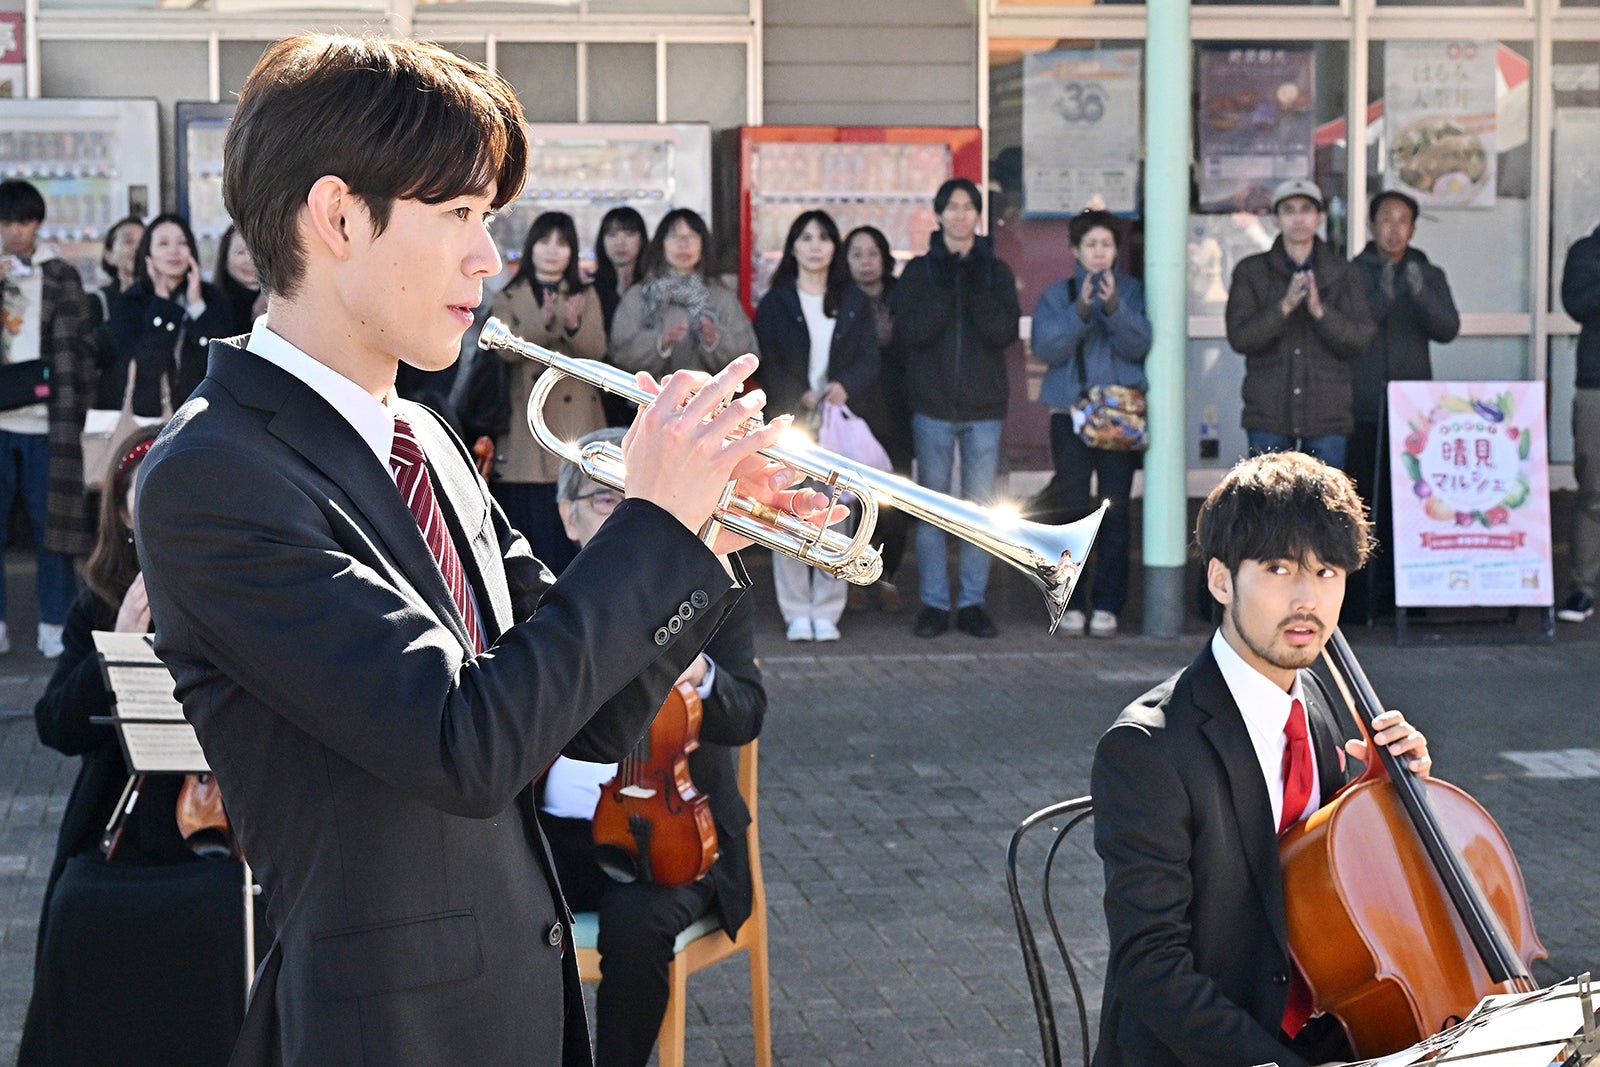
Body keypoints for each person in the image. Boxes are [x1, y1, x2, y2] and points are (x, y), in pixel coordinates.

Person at [133, 33, 827, 1066]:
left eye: (487, 219)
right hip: (388, 1030)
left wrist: (700, 532)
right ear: (335, 217)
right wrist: (649, 523)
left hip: (516, 1002)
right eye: (456, 214)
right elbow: (463, 743)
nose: (487, 256)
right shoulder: (211, 473)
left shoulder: (424, 436)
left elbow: (581, 721)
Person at [1090, 450, 1432, 1067]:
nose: (1308, 599)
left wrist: (1396, 803)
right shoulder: (1146, 748)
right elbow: (1151, 967)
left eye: (1328, 572)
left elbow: (1337, 891)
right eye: (1278, 569)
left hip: (1327, 1031)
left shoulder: (1326, 702)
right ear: (1221, 580)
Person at [18, 425, 259, 1067]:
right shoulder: (95, 604)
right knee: (84, 926)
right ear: (123, 513)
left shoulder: (237, 583)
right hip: (119, 817)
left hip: (221, 823)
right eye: (137, 494)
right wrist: (120, 640)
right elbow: (55, 727)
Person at [537, 426, 765, 1067]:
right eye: (610, 500)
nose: (628, 515)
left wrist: (702, 677)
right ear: (568, 517)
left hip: (675, 844)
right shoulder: (539, 598)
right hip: (557, 834)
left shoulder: (715, 594)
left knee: (637, 927)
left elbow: (749, 713)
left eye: (641, 498)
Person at [891, 177, 1021, 639]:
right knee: (931, 510)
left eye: (969, 207)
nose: (961, 215)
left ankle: (971, 603)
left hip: (984, 407)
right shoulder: (920, 271)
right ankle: (933, 603)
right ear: (939, 214)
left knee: (980, 509)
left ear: (978, 216)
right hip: (932, 406)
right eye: (953, 207)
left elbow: (1001, 330)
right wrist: (946, 283)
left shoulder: (996, 271)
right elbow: (912, 331)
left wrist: (974, 279)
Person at [753, 210, 880, 641]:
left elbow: (870, 358)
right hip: (791, 419)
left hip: (834, 423)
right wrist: (797, 392)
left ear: (834, 247)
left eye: (824, 238)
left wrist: (846, 385)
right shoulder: (777, 302)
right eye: (806, 237)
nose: (815, 246)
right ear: (793, 246)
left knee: (835, 514)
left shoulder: (853, 300)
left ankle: (827, 608)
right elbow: (765, 358)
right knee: (787, 509)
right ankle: (795, 609)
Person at [1031, 209, 1152, 640]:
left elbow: (1141, 344)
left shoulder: (1135, 290)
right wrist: (1080, 309)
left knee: (1114, 509)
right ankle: (1069, 601)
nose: (1100, 253)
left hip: (1119, 418)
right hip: (1071, 413)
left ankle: (1107, 604)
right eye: (1091, 245)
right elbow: (1047, 348)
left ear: (1116, 250)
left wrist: (1116, 308)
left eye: (1106, 245)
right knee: (1071, 508)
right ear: (1075, 250)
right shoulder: (1056, 294)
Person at [1346, 190, 1460, 622]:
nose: (1394, 229)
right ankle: (1361, 601)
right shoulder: (1353, 273)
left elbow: (1448, 328)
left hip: (1415, 414)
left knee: (1411, 505)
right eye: (1386, 219)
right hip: (1363, 406)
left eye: (1403, 221)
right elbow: (1353, 330)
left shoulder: (1428, 272)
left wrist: (1419, 292)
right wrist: (1382, 294)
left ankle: (1408, 599)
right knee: (1362, 505)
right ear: (1372, 225)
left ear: (1413, 228)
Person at [0, 178, 94, 658]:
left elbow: (82, 348)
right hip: (2, 423)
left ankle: (55, 623)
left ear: (38, 223)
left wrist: (76, 413)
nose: (16, 231)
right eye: (8, 221)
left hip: (49, 425)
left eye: (25, 221)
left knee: (53, 529)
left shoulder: (59, 274)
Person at [1224, 179, 1375, 472]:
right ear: (1275, 219)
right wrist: (1284, 307)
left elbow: (1360, 340)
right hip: (1268, 412)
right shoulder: (1252, 271)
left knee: (1325, 511)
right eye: (1289, 210)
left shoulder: (1343, 272)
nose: (1298, 218)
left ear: (1320, 218)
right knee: (1268, 509)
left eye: (1307, 209)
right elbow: (1240, 338)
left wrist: (1320, 312)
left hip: (1328, 413)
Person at [489, 210, 607, 573]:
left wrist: (572, 324)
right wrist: (546, 324)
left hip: (578, 424)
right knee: (533, 529)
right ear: (531, 247)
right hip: (528, 428)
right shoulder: (509, 294)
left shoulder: (585, 295)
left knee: (577, 529)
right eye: (545, 241)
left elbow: (598, 351)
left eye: (562, 242)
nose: (553, 250)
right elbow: (502, 349)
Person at [106, 212, 234, 414]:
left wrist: (196, 306)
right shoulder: (130, 303)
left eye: (182, 243)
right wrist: (162, 305)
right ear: (148, 253)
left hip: (204, 420)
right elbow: (144, 367)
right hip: (148, 425)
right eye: (163, 244)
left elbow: (221, 365)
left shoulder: (212, 299)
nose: (174, 251)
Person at [842, 223, 909, 613]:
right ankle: (850, 574)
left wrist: (890, 340)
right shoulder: (841, 301)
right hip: (852, 414)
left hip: (896, 412)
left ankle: (887, 576)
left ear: (885, 258)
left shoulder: (901, 296)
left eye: (872, 254)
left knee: (893, 499)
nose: (866, 262)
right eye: (856, 254)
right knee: (849, 500)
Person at [609, 208, 758, 377]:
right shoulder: (639, 295)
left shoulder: (721, 297)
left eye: (692, 237)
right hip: (651, 401)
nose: (683, 244)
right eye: (674, 237)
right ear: (661, 244)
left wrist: (715, 340)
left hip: (708, 401)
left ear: (703, 245)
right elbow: (618, 356)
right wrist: (660, 342)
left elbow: (749, 357)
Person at [1559, 220, 1600, 623]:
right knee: (1593, 492)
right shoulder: (1588, 250)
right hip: (1596, 384)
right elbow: (1576, 303)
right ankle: (1582, 588)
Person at [592, 206, 651, 427]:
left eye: (628, 233)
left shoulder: (653, 289)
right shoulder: (590, 290)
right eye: (612, 234)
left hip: (643, 389)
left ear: (642, 239)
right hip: (601, 390)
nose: (620, 242)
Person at [214, 223, 266, 336]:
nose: (250, 260)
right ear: (225, 258)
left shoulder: (282, 302)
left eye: (256, 251)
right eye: (240, 252)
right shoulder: (211, 301)